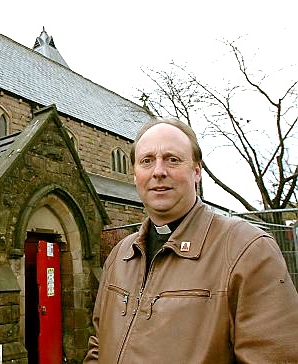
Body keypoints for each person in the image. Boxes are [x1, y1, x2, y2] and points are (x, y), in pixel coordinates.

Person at [84, 117, 298, 363]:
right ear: (134, 174)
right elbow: (98, 346)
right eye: (147, 161)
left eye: (172, 159)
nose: (159, 171)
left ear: (196, 171)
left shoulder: (247, 249)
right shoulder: (120, 254)